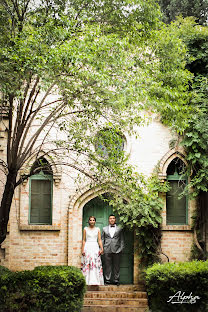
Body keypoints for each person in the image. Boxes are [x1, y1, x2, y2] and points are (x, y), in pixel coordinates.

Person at [101, 214, 125, 286]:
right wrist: (102, 248)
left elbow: (122, 240)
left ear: (115, 220)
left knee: (116, 266)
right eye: (110, 218)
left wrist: (121, 249)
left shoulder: (119, 228)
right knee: (107, 265)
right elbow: (102, 239)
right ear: (109, 220)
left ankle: (116, 280)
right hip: (107, 249)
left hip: (117, 249)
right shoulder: (104, 229)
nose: (112, 220)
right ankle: (107, 280)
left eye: (113, 218)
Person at [81, 216, 104, 285]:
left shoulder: (97, 229)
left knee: (95, 263)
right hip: (87, 247)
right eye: (90, 220)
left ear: (95, 221)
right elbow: (84, 240)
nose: (92, 221)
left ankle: (95, 280)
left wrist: (101, 248)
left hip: (95, 247)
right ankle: (87, 280)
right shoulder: (85, 229)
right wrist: (82, 249)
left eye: (93, 220)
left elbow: (99, 240)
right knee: (87, 262)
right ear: (89, 221)